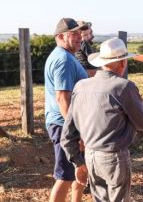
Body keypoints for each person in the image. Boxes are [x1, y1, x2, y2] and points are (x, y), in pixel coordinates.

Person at [61, 38, 143, 202]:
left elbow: (67, 133)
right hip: (114, 158)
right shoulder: (123, 87)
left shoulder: (81, 86)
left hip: (90, 155)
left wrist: (78, 162)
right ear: (123, 63)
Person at [44, 18, 89, 202]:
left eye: (80, 33)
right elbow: (63, 97)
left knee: (77, 173)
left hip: (66, 124)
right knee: (64, 176)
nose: (80, 37)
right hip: (64, 125)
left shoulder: (66, 56)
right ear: (61, 36)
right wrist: (76, 131)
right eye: (74, 34)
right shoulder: (63, 59)